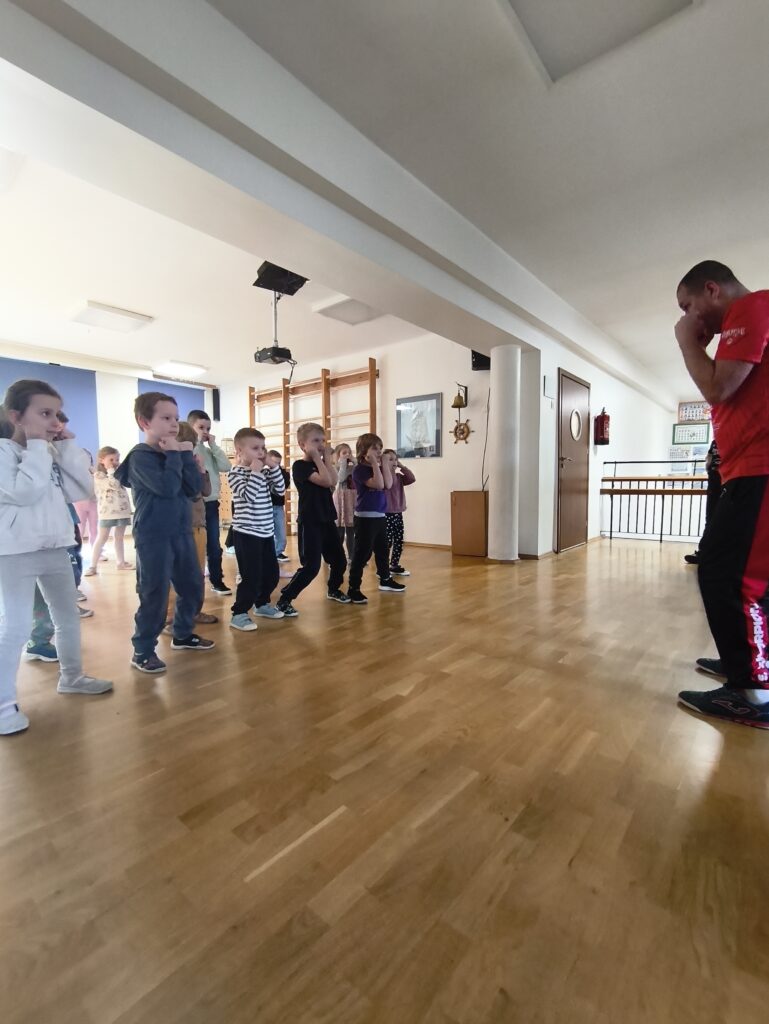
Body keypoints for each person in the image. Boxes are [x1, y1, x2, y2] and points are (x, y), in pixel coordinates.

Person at [674, 260, 769, 727]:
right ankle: (746, 664)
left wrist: (687, 343)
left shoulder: (752, 307)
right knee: (746, 579)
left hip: (760, 470)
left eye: (687, 305)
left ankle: (752, 693)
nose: (687, 316)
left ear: (712, 289)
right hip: (750, 472)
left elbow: (717, 388)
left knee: (727, 576)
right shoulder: (749, 315)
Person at [0, 379, 112, 736]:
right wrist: (37, 445)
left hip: (54, 547)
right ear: (16, 416)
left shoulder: (48, 451)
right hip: (15, 551)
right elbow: (24, 492)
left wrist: (65, 448)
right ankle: (3, 706)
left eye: (58, 415)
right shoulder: (4, 451)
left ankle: (72, 677)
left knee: (67, 617)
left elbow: (81, 490)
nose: (55, 422)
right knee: (15, 628)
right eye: (45, 413)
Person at [116, 392, 215, 674]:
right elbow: (167, 488)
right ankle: (143, 650)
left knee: (192, 586)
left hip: (181, 531)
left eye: (176, 417)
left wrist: (186, 457)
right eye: (166, 417)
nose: (174, 423)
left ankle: (182, 634)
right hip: (153, 535)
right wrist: (174, 453)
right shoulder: (140, 456)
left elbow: (192, 490)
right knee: (155, 594)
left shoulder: (176, 452)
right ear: (144, 422)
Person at [276, 422, 350, 616]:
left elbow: (333, 480)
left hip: (327, 520)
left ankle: (333, 589)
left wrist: (326, 459)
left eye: (323, 440)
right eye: (315, 441)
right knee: (311, 567)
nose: (321, 444)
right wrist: (318, 457)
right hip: (310, 522)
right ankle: (285, 599)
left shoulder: (321, 464)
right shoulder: (300, 466)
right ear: (302, 445)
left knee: (340, 561)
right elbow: (325, 481)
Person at [228, 428, 286, 630]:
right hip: (246, 534)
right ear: (239, 451)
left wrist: (274, 466)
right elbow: (249, 496)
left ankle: (261, 604)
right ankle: (239, 613)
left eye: (263, 448)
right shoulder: (235, 474)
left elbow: (280, 490)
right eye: (255, 448)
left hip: (266, 533)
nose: (261, 452)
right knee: (250, 576)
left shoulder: (264, 472)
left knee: (271, 574)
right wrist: (255, 472)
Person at [164, 421, 218, 629]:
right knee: (176, 575)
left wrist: (202, 471)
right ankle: (171, 616)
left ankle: (194, 611)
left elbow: (205, 491)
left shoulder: (193, 463)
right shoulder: (169, 466)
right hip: (178, 528)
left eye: (191, 445)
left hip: (197, 526)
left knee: (198, 574)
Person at [347, 435, 406, 604]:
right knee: (362, 554)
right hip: (365, 518)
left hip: (380, 516)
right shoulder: (359, 470)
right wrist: (375, 463)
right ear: (363, 451)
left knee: (382, 550)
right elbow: (379, 485)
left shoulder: (378, 468)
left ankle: (385, 579)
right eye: (374, 448)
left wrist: (384, 464)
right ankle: (353, 588)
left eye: (380, 448)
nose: (379, 451)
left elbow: (388, 484)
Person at [188, 410, 232, 596]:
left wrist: (213, 445)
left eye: (208, 428)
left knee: (214, 545)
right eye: (201, 427)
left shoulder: (209, 451)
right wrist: (196, 441)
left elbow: (226, 466)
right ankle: (192, 584)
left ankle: (217, 580)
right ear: (190, 428)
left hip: (212, 503)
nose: (205, 432)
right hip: (194, 505)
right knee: (194, 545)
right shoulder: (188, 449)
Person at [84, 446, 134, 574]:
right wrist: (111, 471)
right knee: (102, 537)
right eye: (111, 459)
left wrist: (118, 471)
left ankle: (120, 562)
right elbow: (113, 485)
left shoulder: (118, 474)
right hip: (107, 513)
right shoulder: (98, 476)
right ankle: (93, 566)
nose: (115, 462)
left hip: (122, 511)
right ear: (102, 460)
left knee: (119, 537)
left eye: (117, 459)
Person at [684, 438, 721, 565]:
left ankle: (713, 553)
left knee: (722, 518)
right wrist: (709, 469)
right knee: (710, 518)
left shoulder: (730, 437)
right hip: (714, 478)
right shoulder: (716, 441)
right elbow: (709, 457)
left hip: (727, 478)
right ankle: (704, 552)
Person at [383, 448, 415, 577]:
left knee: (399, 540)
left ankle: (394, 565)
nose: (394, 462)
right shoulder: (382, 477)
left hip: (398, 512)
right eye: (390, 459)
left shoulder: (399, 477)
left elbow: (411, 478)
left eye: (395, 459)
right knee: (387, 542)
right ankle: (383, 567)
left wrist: (401, 466)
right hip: (386, 513)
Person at [332, 442, 356, 563]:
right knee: (339, 531)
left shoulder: (352, 466)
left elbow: (358, 473)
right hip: (340, 499)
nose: (347, 455)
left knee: (351, 531)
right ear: (338, 455)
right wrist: (342, 464)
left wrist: (354, 462)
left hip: (351, 499)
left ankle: (352, 556)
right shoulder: (335, 467)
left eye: (349, 452)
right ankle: (336, 557)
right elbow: (340, 479)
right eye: (344, 453)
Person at [267, 449, 291, 562]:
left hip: (278, 506)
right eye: (274, 463)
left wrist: (281, 471)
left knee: (281, 533)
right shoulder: (265, 472)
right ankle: (270, 554)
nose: (276, 465)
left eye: (278, 463)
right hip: (267, 507)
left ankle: (278, 552)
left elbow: (285, 484)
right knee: (269, 533)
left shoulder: (282, 473)